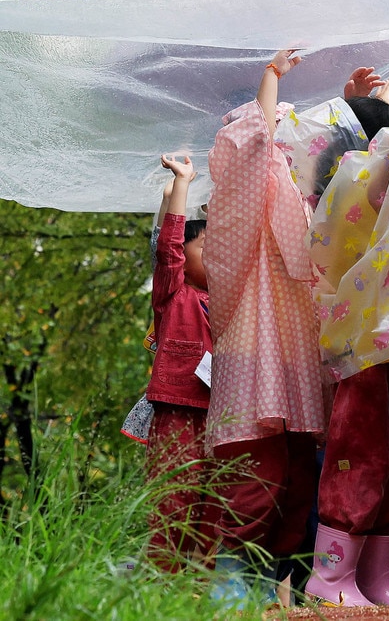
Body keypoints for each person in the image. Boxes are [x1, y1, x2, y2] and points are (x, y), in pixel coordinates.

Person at [303, 66, 389, 608]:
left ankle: (373, 578)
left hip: (381, 345)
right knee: (360, 457)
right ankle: (331, 578)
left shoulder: (340, 189)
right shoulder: (358, 187)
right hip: (360, 350)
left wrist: (364, 106)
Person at [204, 49, 328, 607]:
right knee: (257, 477)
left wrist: (363, 109)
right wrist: (270, 80)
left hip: (296, 356)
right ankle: (229, 585)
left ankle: (261, 588)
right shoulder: (237, 212)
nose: (281, 148)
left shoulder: (300, 204)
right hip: (255, 354)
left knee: (298, 481)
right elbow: (252, 152)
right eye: (276, 136)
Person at [144, 153, 216, 572]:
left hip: (221, 414)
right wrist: (182, 187)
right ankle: (160, 580)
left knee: (215, 500)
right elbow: (166, 250)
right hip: (177, 407)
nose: (216, 255)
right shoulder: (174, 292)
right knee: (173, 495)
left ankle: (201, 585)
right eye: (205, 247)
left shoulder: (228, 299)